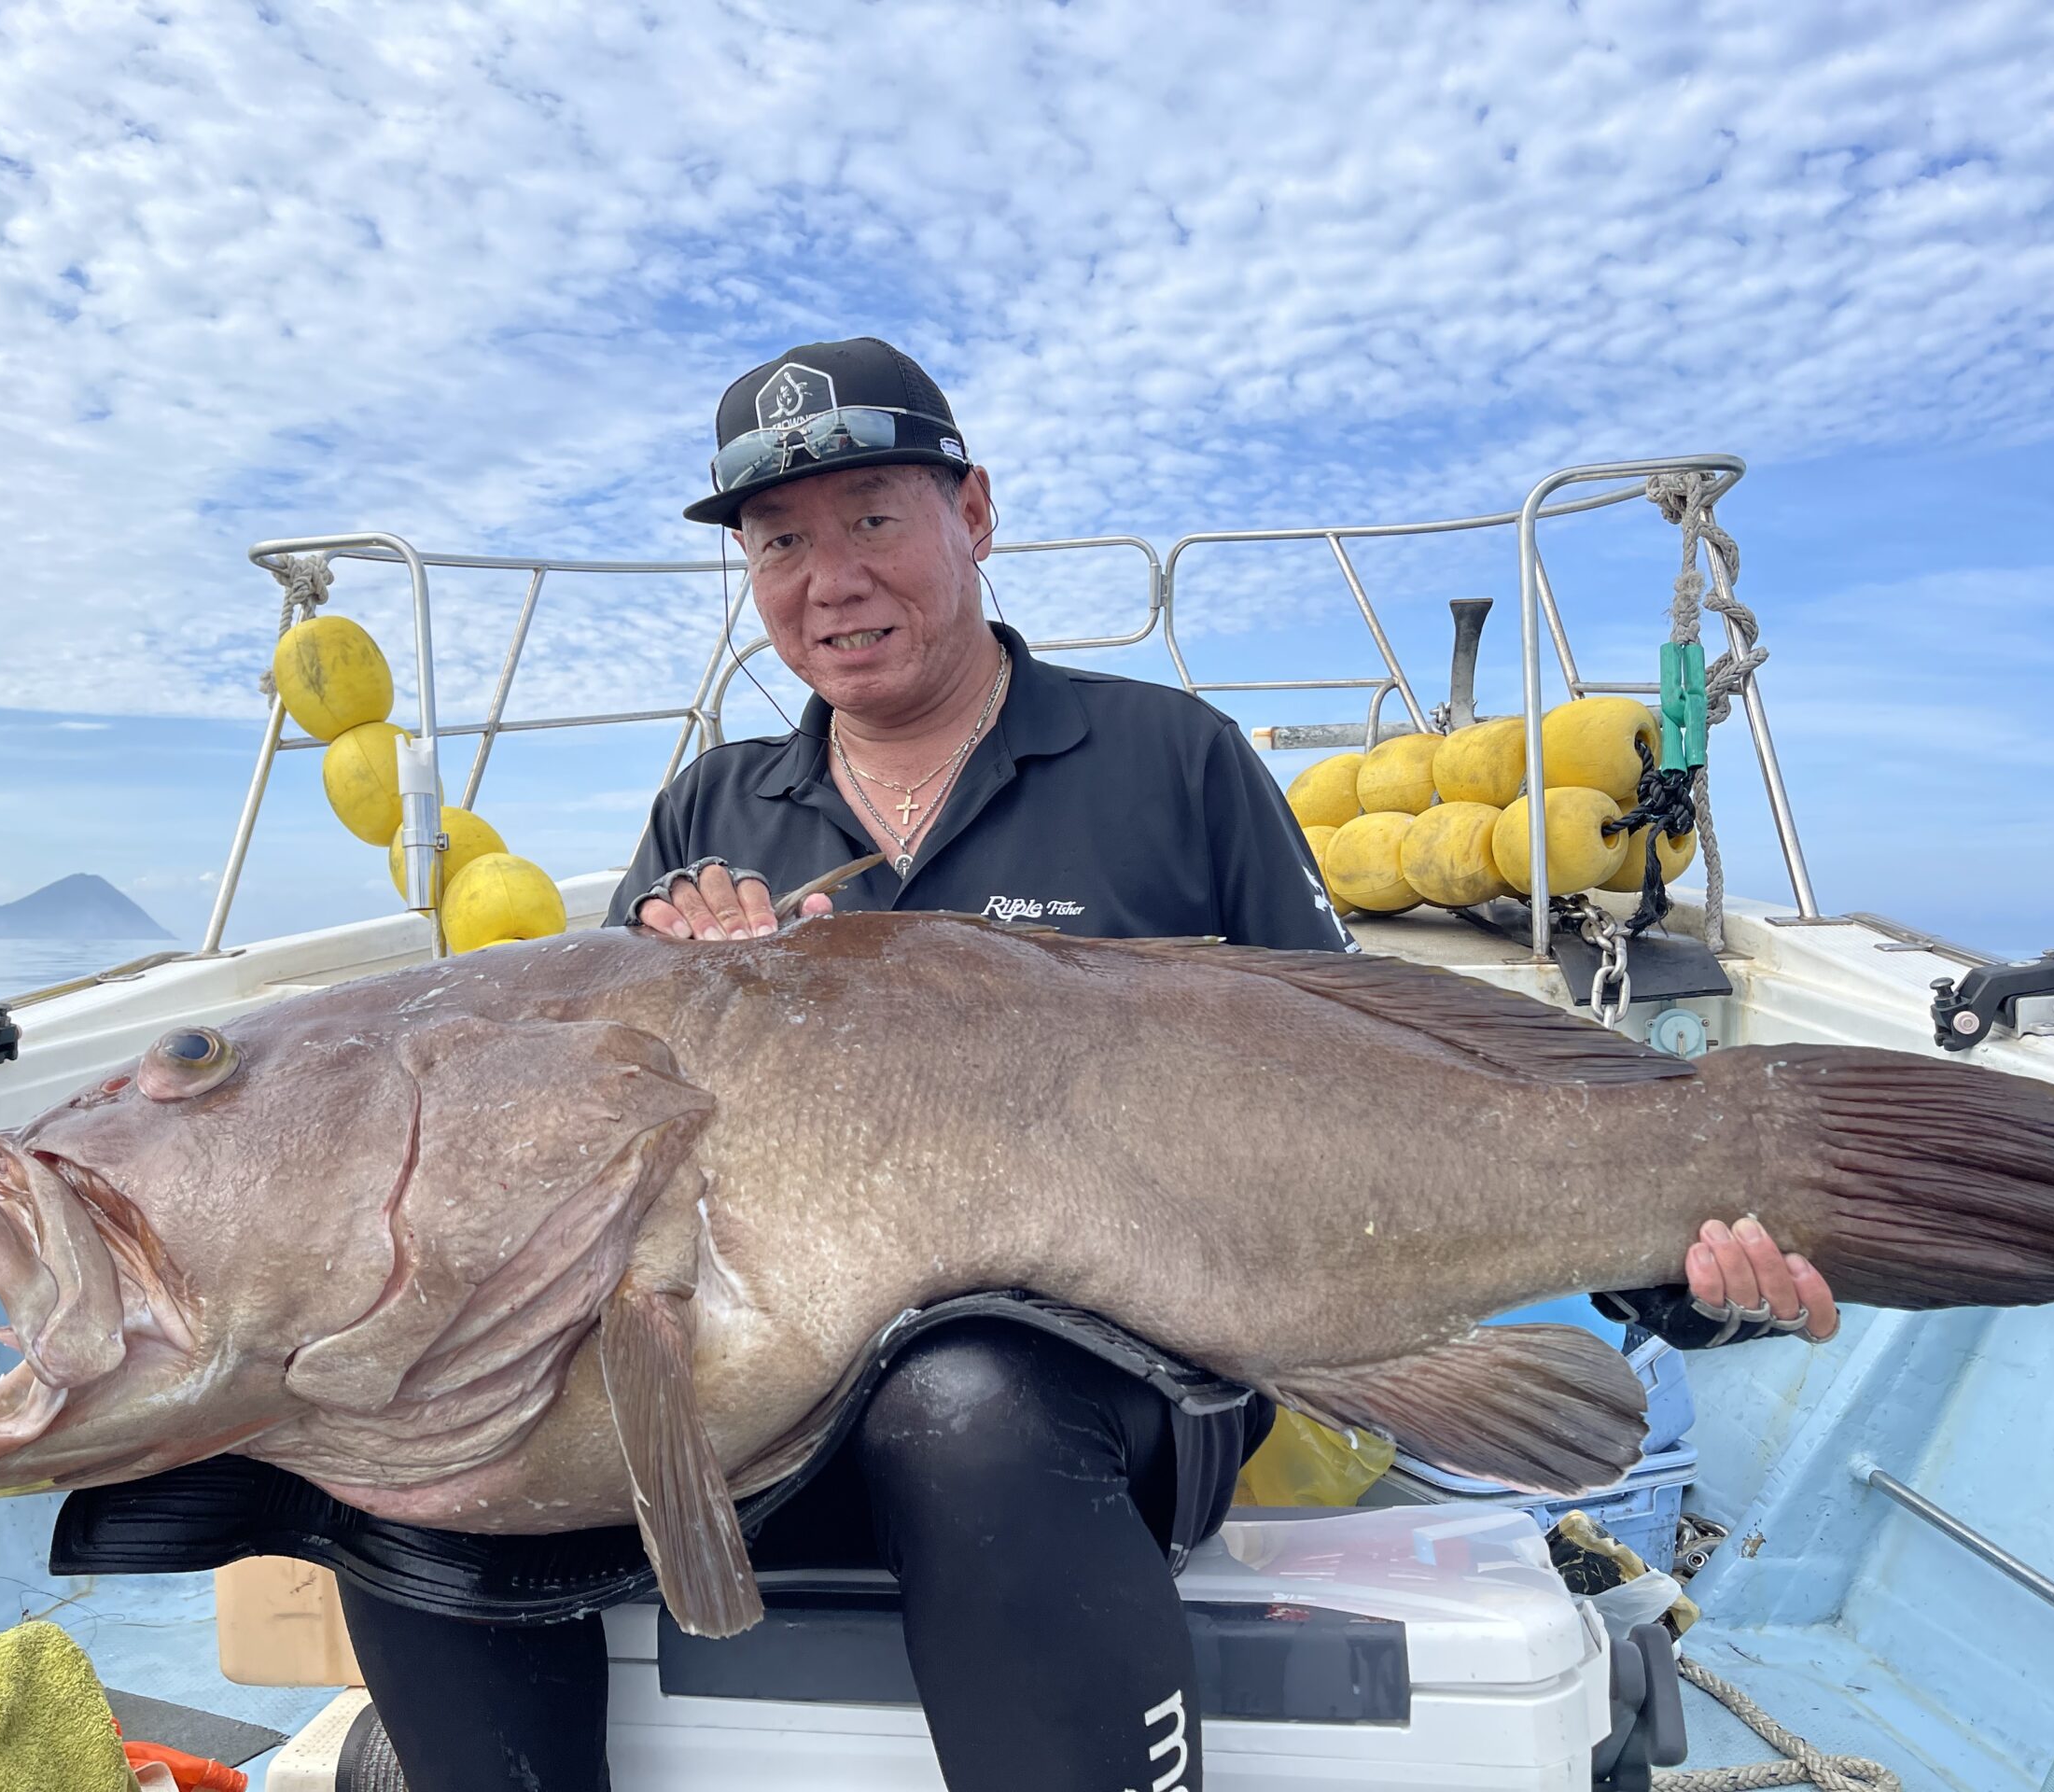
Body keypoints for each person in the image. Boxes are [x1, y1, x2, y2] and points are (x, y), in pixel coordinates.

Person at [324, 337, 1843, 1791]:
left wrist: (1671, 1263)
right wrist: (675, 996)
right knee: (397, 1466)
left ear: (973, 512)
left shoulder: (1169, 761)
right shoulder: (706, 812)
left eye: (870, 517)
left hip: (1117, 1387)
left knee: (969, 1400)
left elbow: (1382, 1084)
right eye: (779, 543)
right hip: (759, 1400)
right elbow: (588, 1166)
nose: (829, 579)